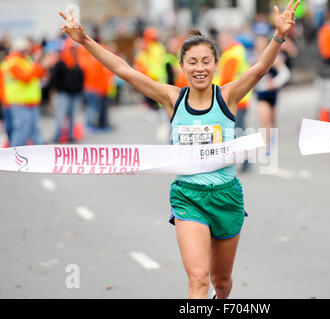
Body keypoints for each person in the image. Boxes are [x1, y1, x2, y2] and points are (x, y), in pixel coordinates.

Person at [58, 0, 300, 299]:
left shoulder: (228, 95)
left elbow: (261, 68)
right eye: (193, 62)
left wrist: (279, 36)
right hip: (189, 197)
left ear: (215, 64)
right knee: (198, 279)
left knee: (221, 282)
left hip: (226, 196)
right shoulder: (172, 98)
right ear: (182, 65)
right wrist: (84, 40)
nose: (199, 68)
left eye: (206, 61)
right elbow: (123, 70)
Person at [215, 31, 252, 172]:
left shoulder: (232, 54)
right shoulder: (236, 52)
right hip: (239, 98)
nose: (222, 44)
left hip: (234, 99)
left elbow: (226, 79)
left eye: (224, 40)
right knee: (239, 130)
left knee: (237, 131)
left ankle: (245, 161)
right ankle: (244, 161)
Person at [0, 37, 47, 147]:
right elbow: (26, 78)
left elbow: (38, 74)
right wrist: (37, 64)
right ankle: (15, 155)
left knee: (34, 130)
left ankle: (39, 155)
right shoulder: (13, 63)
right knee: (21, 131)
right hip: (19, 102)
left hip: (31, 101)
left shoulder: (26, 60)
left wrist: (39, 66)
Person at [253, 36, 291, 156]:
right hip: (261, 94)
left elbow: (285, 73)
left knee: (272, 121)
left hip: (272, 94)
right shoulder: (253, 58)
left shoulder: (274, 58)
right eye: (258, 43)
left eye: (262, 44)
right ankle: (265, 146)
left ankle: (272, 140)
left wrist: (274, 83)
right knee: (264, 120)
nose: (260, 46)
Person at [49, 38, 84, 143]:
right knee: (61, 115)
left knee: (73, 116)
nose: (73, 50)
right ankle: (57, 135)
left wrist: (79, 90)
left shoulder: (77, 63)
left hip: (75, 94)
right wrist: (59, 89)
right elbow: (54, 78)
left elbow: (81, 78)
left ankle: (70, 135)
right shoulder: (61, 63)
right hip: (64, 94)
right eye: (71, 48)